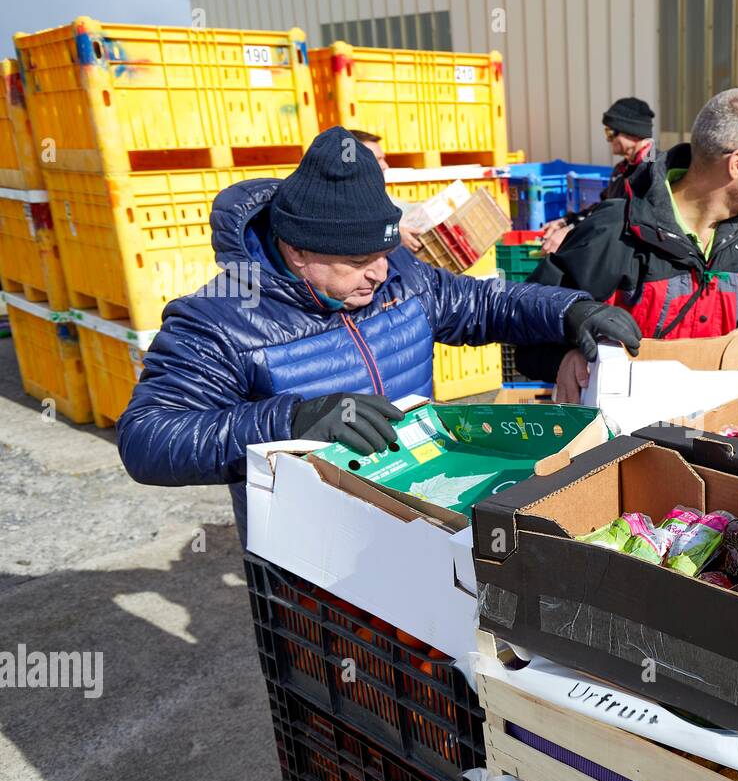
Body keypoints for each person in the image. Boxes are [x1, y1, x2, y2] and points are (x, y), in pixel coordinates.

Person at [117, 126, 640, 544]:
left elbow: (481, 303)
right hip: (308, 543)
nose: (377, 274)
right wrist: (292, 419)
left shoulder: (398, 275)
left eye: (382, 256)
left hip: (421, 505)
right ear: (297, 250)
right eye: (357, 262)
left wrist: (570, 311)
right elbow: (147, 439)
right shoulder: (216, 318)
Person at [519, 88, 738, 403]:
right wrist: (563, 357)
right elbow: (529, 322)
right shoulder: (616, 230)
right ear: (737, 163)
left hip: (726, 437)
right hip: (623, 444)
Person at [539, 98, 656, 254]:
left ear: (632, 133)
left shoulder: (653, 170)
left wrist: (572, 231)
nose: (608, 140)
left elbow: (627, 217)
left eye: (610, 133)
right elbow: (603, 208)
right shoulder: (621, 170)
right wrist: (566, 221)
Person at [347, 129, 424, 253]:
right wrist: (394, 235)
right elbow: (352, 232)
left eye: (383, 159)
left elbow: (404, 208)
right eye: (377, 159)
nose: (385, 166)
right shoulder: (338, 198)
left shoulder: (374, 191)